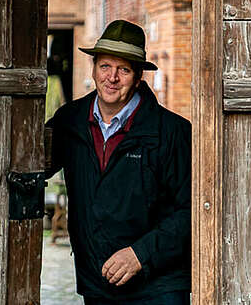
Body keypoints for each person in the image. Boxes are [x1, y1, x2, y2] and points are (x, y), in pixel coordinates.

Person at [46, 20, 191, 305]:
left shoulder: (173, 133)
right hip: (98, 282)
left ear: (138, 77)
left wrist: (140, 254)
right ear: (94, 68)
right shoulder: (70, 121)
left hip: (159, 286)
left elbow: (195, 211)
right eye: (105, 67)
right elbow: (27, 163)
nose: (112, 78)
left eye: (123, 70)